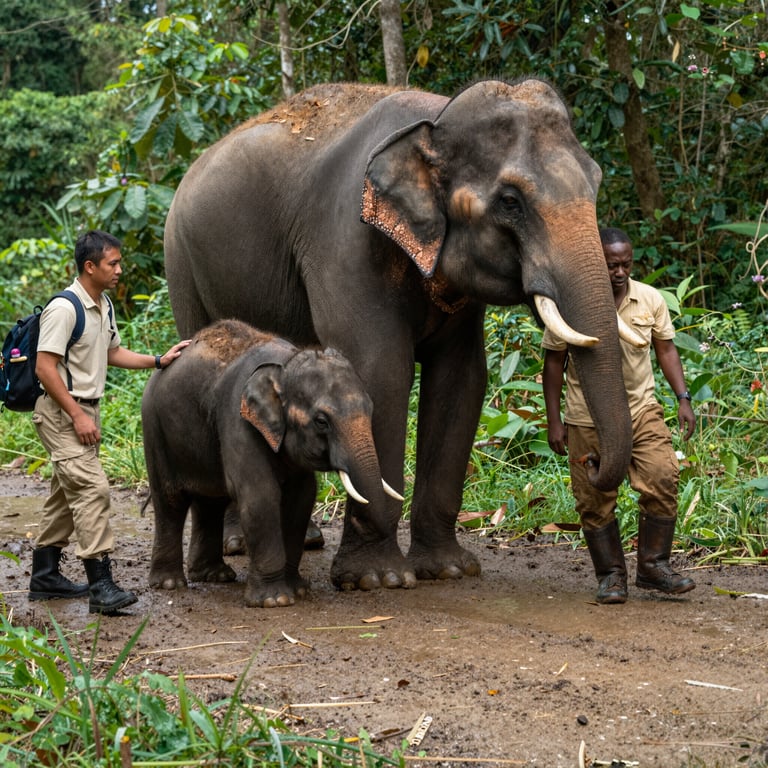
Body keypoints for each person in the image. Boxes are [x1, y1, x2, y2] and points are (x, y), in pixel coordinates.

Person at [29, 230, 190, 615]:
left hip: (85, 411)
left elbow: (112, 352)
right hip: (63, 412)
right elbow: (44, 367)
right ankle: (101, 585)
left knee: (66, 495)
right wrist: (77, 415)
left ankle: (45, 576)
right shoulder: (65, 309)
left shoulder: (102, 305)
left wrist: (158, 360)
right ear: (90, 266)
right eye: (112, 263)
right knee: (92, 490)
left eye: (119, 263)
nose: (119, 270)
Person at [542, 227, 696, 604]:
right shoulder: (570, 303)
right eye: (612, 265)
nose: (620, 272)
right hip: (586, 416)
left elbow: (666, 350)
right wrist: (554, 419)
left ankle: (654, 566)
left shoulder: (649, 299)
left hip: (641, 410)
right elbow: (553, 363)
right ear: (597, 262)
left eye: (626, 264)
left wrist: (683, 397)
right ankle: (611, 576)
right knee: (593, 498)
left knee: (662, 475)